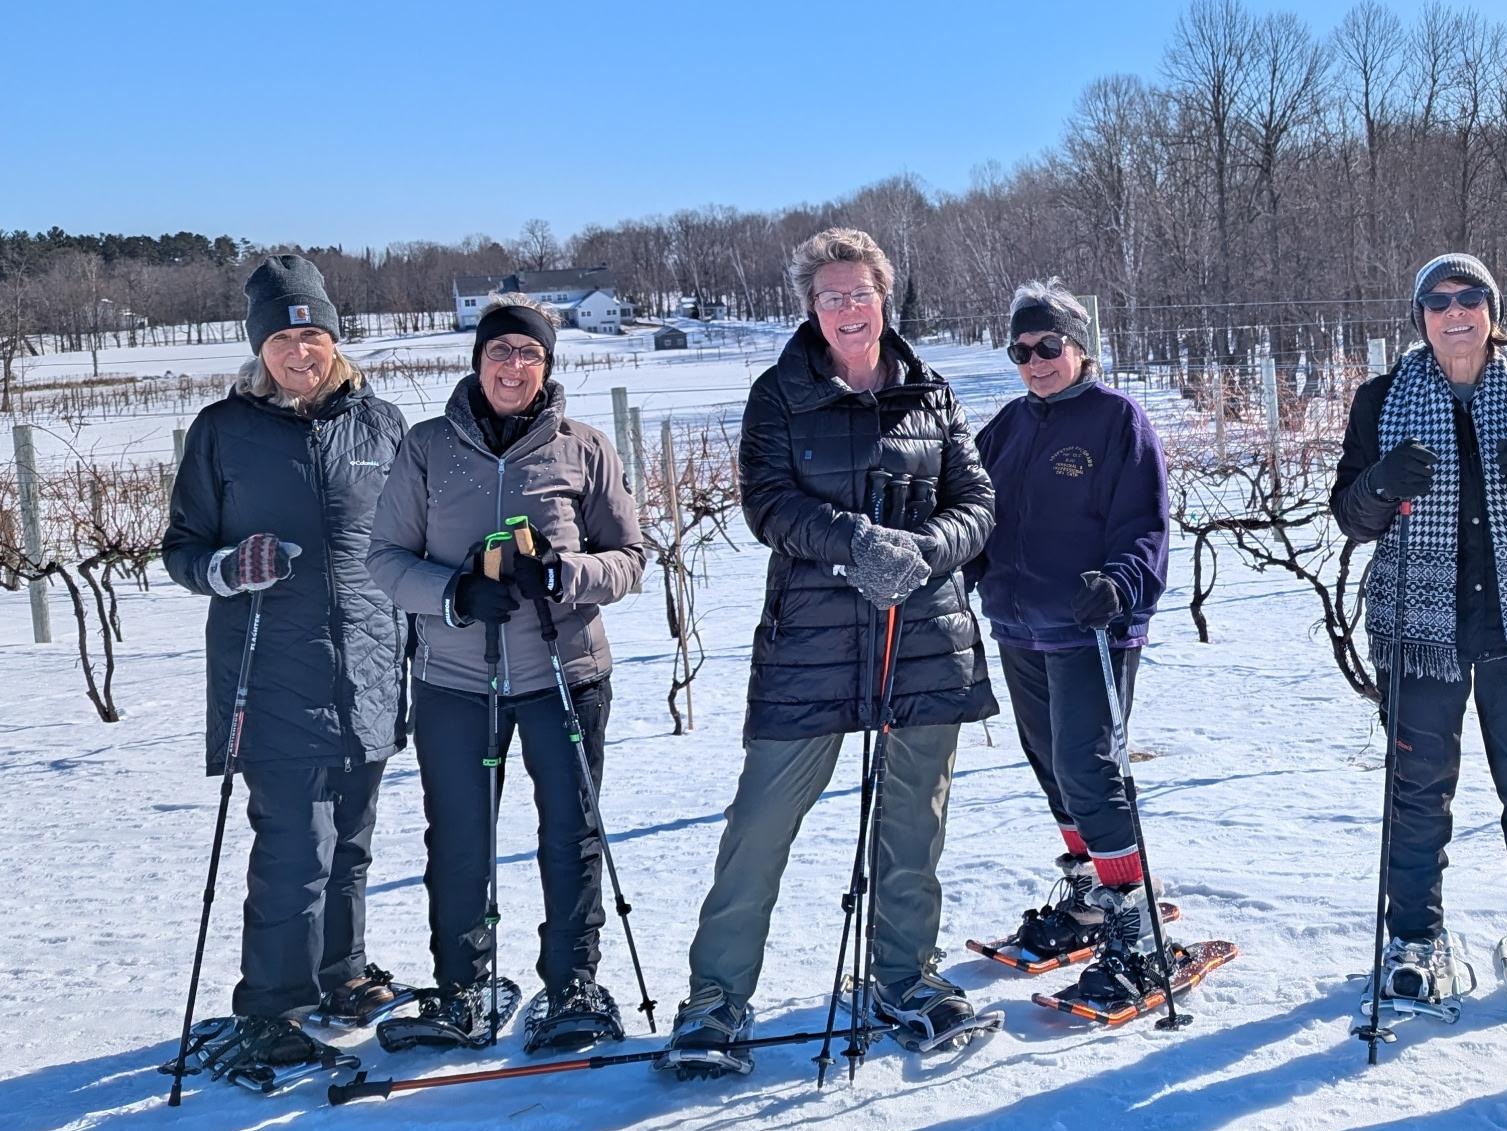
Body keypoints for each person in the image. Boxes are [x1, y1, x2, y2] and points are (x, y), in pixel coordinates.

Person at [662, 227, 995, 1077]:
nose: (847, 309)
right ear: (811, 307)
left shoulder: (931, 391)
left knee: (912, 824)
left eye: (860, 292)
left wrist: (924, 549)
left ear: (886, 296)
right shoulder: (780, 394)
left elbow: (978, 502)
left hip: (920, 637)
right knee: (760, 826)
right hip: (809, 642)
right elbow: (766, 503)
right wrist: (852, 541)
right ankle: (715, 1003)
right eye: (830, 296)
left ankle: (905, 978)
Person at [368, 294, 646, 1052]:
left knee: (570, 831)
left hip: (565, 673)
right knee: (459, 838)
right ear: (477, 359)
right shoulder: (427, 447)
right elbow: (385, 560)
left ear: (547, 365)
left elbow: (629, 559)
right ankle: (461, 984)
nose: (513, 366)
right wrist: (455, 593)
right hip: (457, 681)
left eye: (529, 354)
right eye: (500, 352)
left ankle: (572, 981)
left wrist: (566, 575)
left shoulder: (583, 448)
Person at [1330, 254, 1507, 1019]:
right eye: (1439, 301)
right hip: (1423, 629)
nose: (1456, 313)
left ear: (1492, 308)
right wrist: (1381, 485)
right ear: (1419, 316)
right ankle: (1413, 942)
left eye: (1470, 298)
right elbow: (1351, 516)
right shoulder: (1382, 399)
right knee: (1418, 794)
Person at [162, 254, 411, 1070]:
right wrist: (230, 567)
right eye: (282, 339)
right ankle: (272, 1006)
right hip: (268, 667)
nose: (299, 352)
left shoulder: (381, 426)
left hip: (371, 663)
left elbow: (411, 537)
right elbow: (182, 550)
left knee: (353, 839)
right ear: (258, 348)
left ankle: (340, 973)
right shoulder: (222, 431)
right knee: (292, 848)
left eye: (312, 335)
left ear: (334, 339)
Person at [968, 279, 1171, 1004]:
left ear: (1080, 347)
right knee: (1050, 764)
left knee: (1089, 770)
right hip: (1018, 621)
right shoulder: (1007, 427)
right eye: (1021, 350)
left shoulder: (1118, 420)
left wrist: (1121, 583)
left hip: (1091, 626)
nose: (1035, 361)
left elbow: (1147, 524)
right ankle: (1089, 892)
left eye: (1048, 346)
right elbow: (974, 513)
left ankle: (1133, 920)